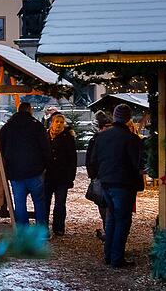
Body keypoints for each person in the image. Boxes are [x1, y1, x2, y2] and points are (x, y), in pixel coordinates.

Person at [87, 104, 143, 268]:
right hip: (124, 184)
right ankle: (117, 257)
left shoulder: (102, 136)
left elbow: (93, 160)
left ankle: (108, 255)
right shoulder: (132, 139)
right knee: (123, 221)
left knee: (111, 219)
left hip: (106, 183)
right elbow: (136, 163)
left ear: (115, 117)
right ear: (127, 118)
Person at [0, 102, 49, 227]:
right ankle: (41, 230)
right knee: (39, 201)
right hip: (34, 170)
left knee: (19, 202)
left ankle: (22, 232)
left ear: (18, 110)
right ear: (30, 110)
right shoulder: (37, 126)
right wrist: (45, 166)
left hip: (15, 170)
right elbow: (45, 148)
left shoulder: (8, 126)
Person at [44, 113, 77, 236]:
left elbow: (72, 159)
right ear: (51, 122)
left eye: (61, 122)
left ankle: (58, 227)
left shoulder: (68, 138)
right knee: (45, 202)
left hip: (61, 177)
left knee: (60, 203)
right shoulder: (45, 136)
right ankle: (43, 226)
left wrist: (70, 178)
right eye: (56, 121)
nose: (59, 124)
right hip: (47, 176)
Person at [86, 110, 112, 241]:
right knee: (103, 204)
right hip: (100, 177)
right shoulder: (95, 140)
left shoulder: (108, 139)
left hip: (105, 177)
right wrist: (94, 175)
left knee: (106, 206)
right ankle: (108, 229)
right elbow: (90, 159)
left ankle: (109, 230)